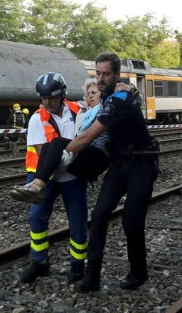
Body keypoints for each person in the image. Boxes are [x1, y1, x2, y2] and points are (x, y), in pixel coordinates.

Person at [63, 52, 160, 293]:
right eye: (98, 73)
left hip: (141, 165)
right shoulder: (111, 94)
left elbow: (87, 136)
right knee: (98, 217)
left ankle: (139, 271)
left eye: (106, 73)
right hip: (119, 165)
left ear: (116, 74)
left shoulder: (119, 100)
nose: (101, 78)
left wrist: (61, 155)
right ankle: (92, 276)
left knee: (131, 222)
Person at [16, 72, 89, 284]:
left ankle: (77, 264)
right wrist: (65, 155)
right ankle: (39, 262)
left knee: (77, 220)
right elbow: (41, 152)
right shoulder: (37, 118)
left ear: (62, 94)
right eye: (43, 98)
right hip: (45, 175)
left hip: (72, 176)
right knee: (37, 217)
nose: (47, 102)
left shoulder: (80, 112)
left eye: (52, 97)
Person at [11, 81, 138, 201]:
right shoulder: (86, 112)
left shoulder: (109, 106)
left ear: (103, 94)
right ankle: (38, 187)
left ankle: (38, 185)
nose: (90, 96)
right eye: (88, 94)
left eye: (94, 93)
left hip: (98, 156)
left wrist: (129, 89)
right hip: (85, 153)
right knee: (47, 146)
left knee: (57, 142)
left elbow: (132, 101)